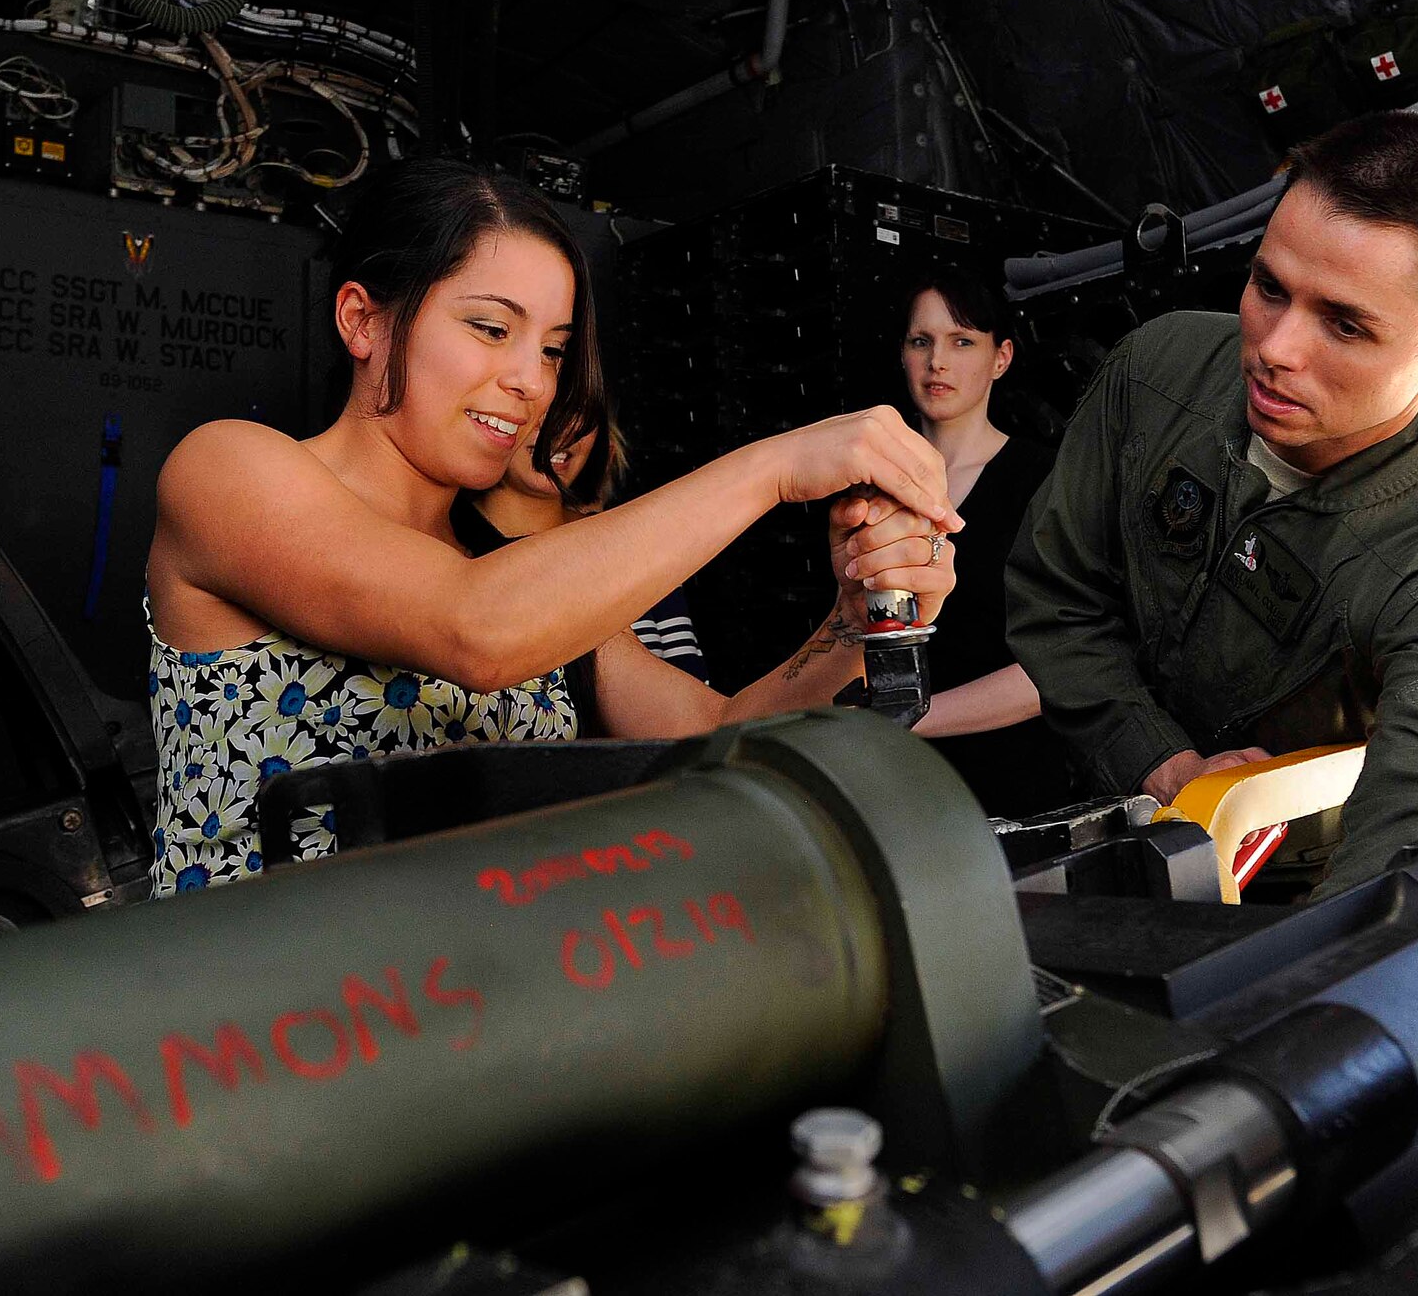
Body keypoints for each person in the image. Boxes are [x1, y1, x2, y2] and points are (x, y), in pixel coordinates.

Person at [145, 159, 961, 896]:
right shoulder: (225, 470)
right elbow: (474, 626)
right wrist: (774, 466)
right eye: (491, 329)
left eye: (554, 350)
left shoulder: (528, 576)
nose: (530, 382)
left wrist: (856, 622)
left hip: (471, 1019)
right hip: (247, 1027)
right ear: (363, 321)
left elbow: (720, 740)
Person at [1006, 110, 1418, 898]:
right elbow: (1056, 591)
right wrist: (1167, 764)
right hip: (1076, 801)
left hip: (1276, 907)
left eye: (1345, 324)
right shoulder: (1161, 368)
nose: (1276, 348)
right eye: (1269, 286)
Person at [898, 267, 1066, 817]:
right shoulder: (869, 483)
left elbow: (1067, 663)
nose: (937, 361)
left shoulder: (1042, 481)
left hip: (1006, 791)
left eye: (962, 341)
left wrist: (913, 718)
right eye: (921, 341)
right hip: (892, 787)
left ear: (1002, 358)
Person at [456, 406, 709, 688]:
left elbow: (690, 701)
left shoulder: (636, 543)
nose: (560, 427)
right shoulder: (445, 551)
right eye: (543, 406)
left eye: (577, 404)